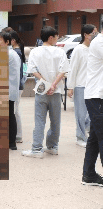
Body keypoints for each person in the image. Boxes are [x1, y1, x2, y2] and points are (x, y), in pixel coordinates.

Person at [22, 26, 70, 158]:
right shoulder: (60, 52)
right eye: (56, 37)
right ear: (51, 37)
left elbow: (32, 70)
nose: (57, 39)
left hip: (41, 90)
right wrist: (53, 85)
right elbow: (63, 70)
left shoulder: (34, 52)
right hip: (56, 90)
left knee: (39, 120)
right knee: (56, 121)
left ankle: (36, 149)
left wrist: (46, 83)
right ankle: (53, 146)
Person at [68, 24, 97, 148]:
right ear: (85, 35)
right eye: (93, 34)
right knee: (80, 113)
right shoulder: (79, 49)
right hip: (80, 85)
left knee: (91, 114)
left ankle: (89, 135)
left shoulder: (94, 49)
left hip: (92, 86)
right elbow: (73, 68)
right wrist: (70, 86)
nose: (95, 36)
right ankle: (80, 137)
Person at [82, 25, 103, 186]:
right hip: (97, 96)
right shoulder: (100, 42)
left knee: (95, 137)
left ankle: (88, 175)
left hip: (97, 96)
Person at [0, 32, 21, 150]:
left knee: (8, 115)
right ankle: (12, 143)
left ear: (7, 42)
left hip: (6, 89)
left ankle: (10, 142)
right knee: (10, 114)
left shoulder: (7, 54)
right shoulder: (12, 53)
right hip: (11, 88)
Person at [8, 30, 26, 144]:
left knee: (15, 111)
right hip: (19, 85)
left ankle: (18, 135)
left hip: (17, 86)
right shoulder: (17, 51)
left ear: (12, 41)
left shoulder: (16, 53)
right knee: (15, 110)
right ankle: (18, 135)